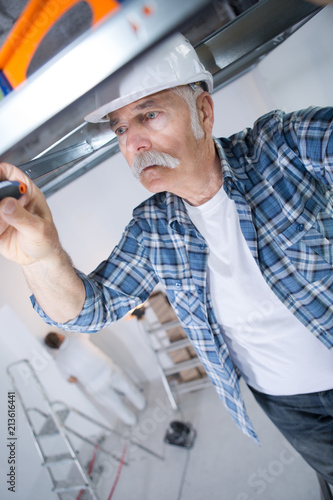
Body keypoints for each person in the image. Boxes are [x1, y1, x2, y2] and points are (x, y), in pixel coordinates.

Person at [0, 26, 332, 484]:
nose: (132, 143)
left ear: (204, 111)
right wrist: (40, 255)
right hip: (287, 405)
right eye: (120, 128)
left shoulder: (282, 148)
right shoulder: (153, 228)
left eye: (149, 114)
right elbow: (86, 311)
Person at [44, 331, 146, 425]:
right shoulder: (77, 337)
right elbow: (88, 329)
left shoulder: (59, 361)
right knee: (127, 387)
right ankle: (142, 404)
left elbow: (70, 380)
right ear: (59, 336)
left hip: (93, 385)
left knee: (114, 404)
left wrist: (82, 376)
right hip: (107, 370)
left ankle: (131, 420)